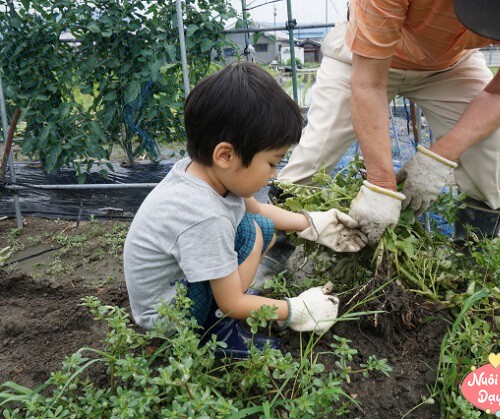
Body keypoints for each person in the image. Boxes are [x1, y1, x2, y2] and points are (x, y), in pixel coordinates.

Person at [277, 0, 500, 245]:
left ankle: (474, 252)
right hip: (363, 59)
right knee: (315, 154)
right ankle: (278, 244)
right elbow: (368, 83)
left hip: (451, 64)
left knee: (496, 145)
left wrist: (439, 158)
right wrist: (381, 186)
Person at [123, 63, 367, 358]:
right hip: (169, 318)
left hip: (177, 289)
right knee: (253, 233)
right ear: (225, 155)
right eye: (273, 162)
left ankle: (222, 314)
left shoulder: (205, 174)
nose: (274, 174)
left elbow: (259, 210)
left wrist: (313, 224)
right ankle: (218, 338)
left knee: (258, 225)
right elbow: (231, 304)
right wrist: (295, 310)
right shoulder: (203, 215)